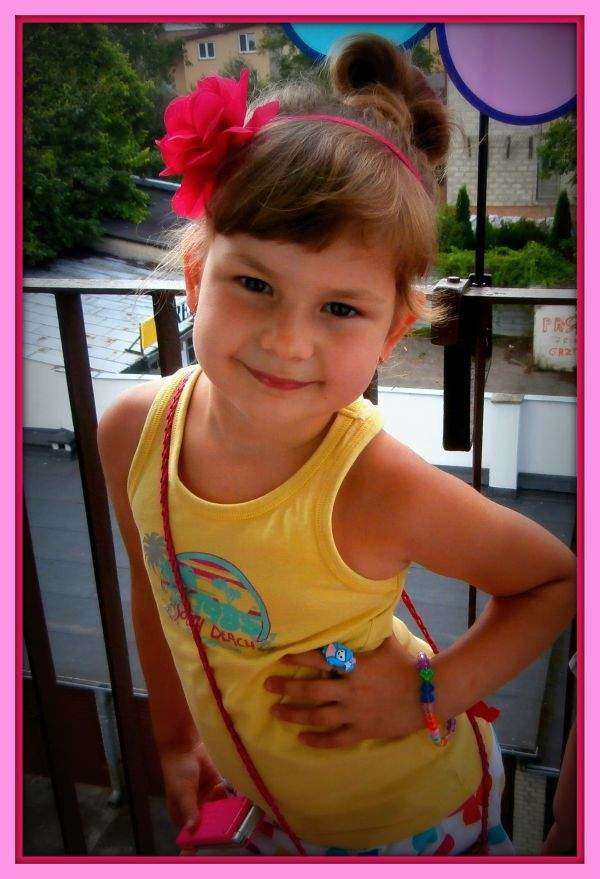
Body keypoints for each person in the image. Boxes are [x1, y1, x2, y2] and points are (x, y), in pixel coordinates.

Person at [97, 33, 576, 857]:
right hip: (271, 811)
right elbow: (156, 591)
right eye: (255, 284)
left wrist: (427, 692)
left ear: (391, 333)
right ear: (196, 276)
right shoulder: (136, 431)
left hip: (408, 822)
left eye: (340, 309)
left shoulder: (375, 483)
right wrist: (175, 739)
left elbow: (554, 579)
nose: (288, 341)